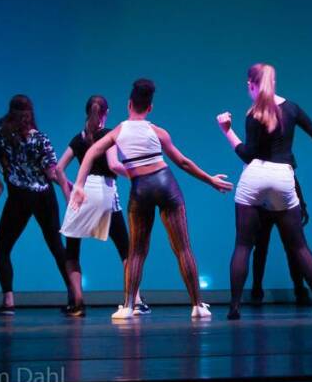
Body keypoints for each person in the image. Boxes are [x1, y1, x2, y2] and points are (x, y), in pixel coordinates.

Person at [72, 79, 233, 319]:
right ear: (150, 108)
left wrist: (79, 185)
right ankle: (198, 305)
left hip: (141, 188)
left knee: (136, 251)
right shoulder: (157, 131)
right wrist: (210, 180)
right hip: (165, 183)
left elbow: (92, 152)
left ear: (129, 104)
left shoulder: (119, 131)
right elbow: (182, 162)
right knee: (182, 248)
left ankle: (128, 306)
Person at [216, 63, 312, 320]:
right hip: (283, 176)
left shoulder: (253, 113)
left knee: (243, 245)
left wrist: (228, 132)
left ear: (252, 84)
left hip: (255, 175)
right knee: (299, 246)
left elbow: (247, 155)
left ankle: (234, 307)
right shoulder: (292, 108)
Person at [57, 95, 149, 317]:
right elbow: (113, 164)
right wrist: (137, 175)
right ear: (106, 113)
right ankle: (134, 299)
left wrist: (67, 194)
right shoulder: (107, 135)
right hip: (104, 191)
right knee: (125, 248)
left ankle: (77, 302)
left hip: (82, 192)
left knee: (72, 251)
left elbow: (58, 169)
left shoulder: (77, 139)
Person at [0, 95, 73, 315]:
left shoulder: (0, 135)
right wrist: (67, 186)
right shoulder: (40, 138)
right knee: (56, 246)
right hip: (44, 196)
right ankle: (74, 295)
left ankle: (9, 301)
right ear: (30, 114)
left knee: (2, 248)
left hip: (19, 197)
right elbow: (52, 171)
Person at [250, 176, 312, 305]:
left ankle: (257, 293)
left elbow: (293, 180)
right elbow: (292, 179)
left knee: (267, 251)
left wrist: (302, 204)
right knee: (285, 250)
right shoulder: (280, 158)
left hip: (274, 207)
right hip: (274, 207)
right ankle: (299, 291)